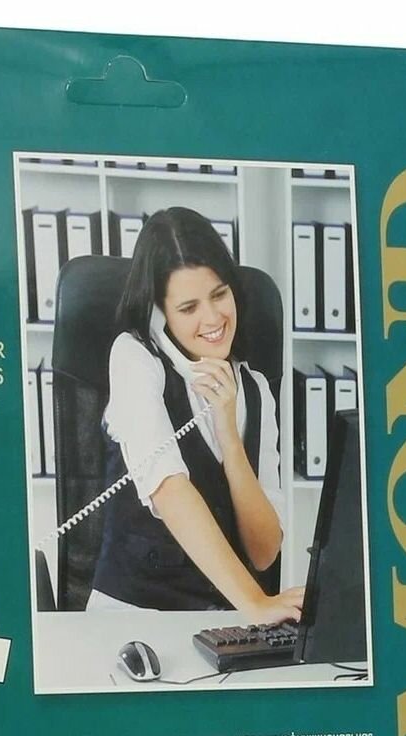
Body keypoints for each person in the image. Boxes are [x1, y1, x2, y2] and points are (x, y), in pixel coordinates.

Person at [87, 207, 305, 620]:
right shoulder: (134, 359)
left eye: (219, 295)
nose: (213, 318)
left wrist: (229, 436)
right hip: (135, 617)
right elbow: (169, 488)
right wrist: (255, 602)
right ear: (159, 314)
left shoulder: (255, 389)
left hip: (226, 621)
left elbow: (263, 552)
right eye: (188, 308)